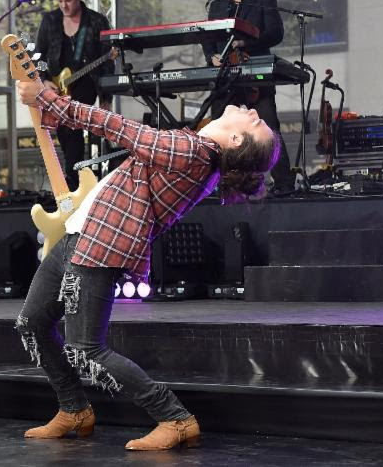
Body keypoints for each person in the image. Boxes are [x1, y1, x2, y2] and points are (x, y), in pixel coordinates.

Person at [14, 75, 279, 451]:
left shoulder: (194, 152)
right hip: (82, 234)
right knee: (32, 324)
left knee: (85, 349)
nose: (253, 110)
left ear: (236, 140)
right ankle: (73, 408)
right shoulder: (197, 151)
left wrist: (50, 99)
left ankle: (175, 418)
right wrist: (55, 108)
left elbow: (123, 128)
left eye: (255, 121)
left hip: (100, 247)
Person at [201, 0, 294, 193]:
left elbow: (275, 33)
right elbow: (207, 38)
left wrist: (246, 42)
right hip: (226, 77)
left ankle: (285, 185)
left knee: (269, 126)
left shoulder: (264, 1)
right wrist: (212, 57)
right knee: (219, 127)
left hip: (255, 77)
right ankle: (220, 185)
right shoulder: (218, 6)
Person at [35, 0, 114, 190]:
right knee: (66, 132)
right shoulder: (50, 21)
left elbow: (108, 62)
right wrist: (44, 80)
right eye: (59, 1)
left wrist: (107, 97)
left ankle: (79, 180)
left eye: (68, 1)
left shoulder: (96, 21)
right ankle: (74, 178)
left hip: (86, 83)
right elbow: (37, 58)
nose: (64, 6)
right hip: (57, 85)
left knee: (73, 126)